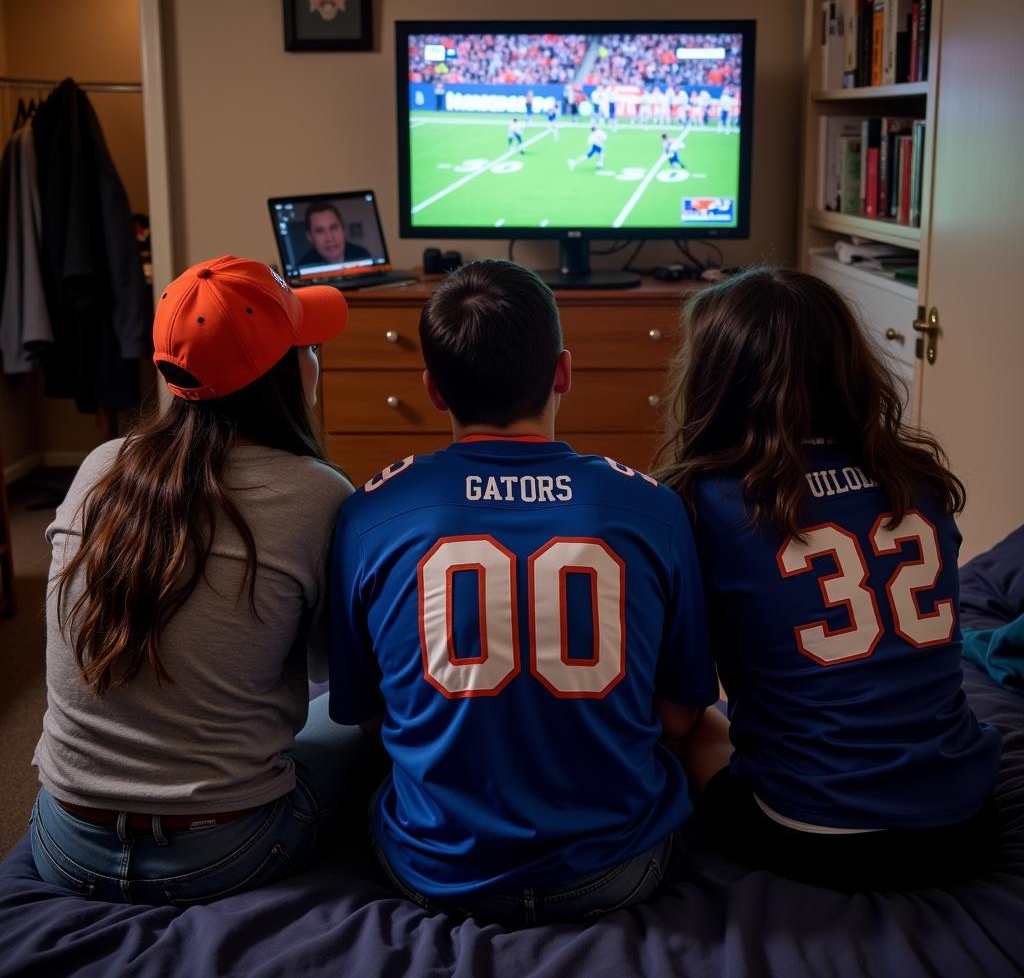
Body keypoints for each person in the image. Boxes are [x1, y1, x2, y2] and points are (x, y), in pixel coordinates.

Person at [327, 259, 717, 924]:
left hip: (435, 869)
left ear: (435, 389)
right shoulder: (651, 506)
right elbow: (679, 716)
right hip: (616, 869)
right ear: (562, 373)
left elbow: (369, 716)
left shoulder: (369, 513)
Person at [30, 255, 380, 905]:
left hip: (63, 843)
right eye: (307, 346)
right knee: (366, 728)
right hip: (223, 851)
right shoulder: (317, 495)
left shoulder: (100, 465)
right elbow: (344, 682)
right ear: (287, 372)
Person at [655, 267, 1002, 891]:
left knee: (693, 728)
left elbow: (679, 709)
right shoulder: (916, 476)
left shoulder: (707, 503)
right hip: (965, 824)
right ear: (850, 365)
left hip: (815, 835)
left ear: (717, 379)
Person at [299, 203, 371, 266]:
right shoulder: (303, 265)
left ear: (343, 230)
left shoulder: (362, 255)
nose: (329, 238)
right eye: (319, 231)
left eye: (334, 228)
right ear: (309, 236)